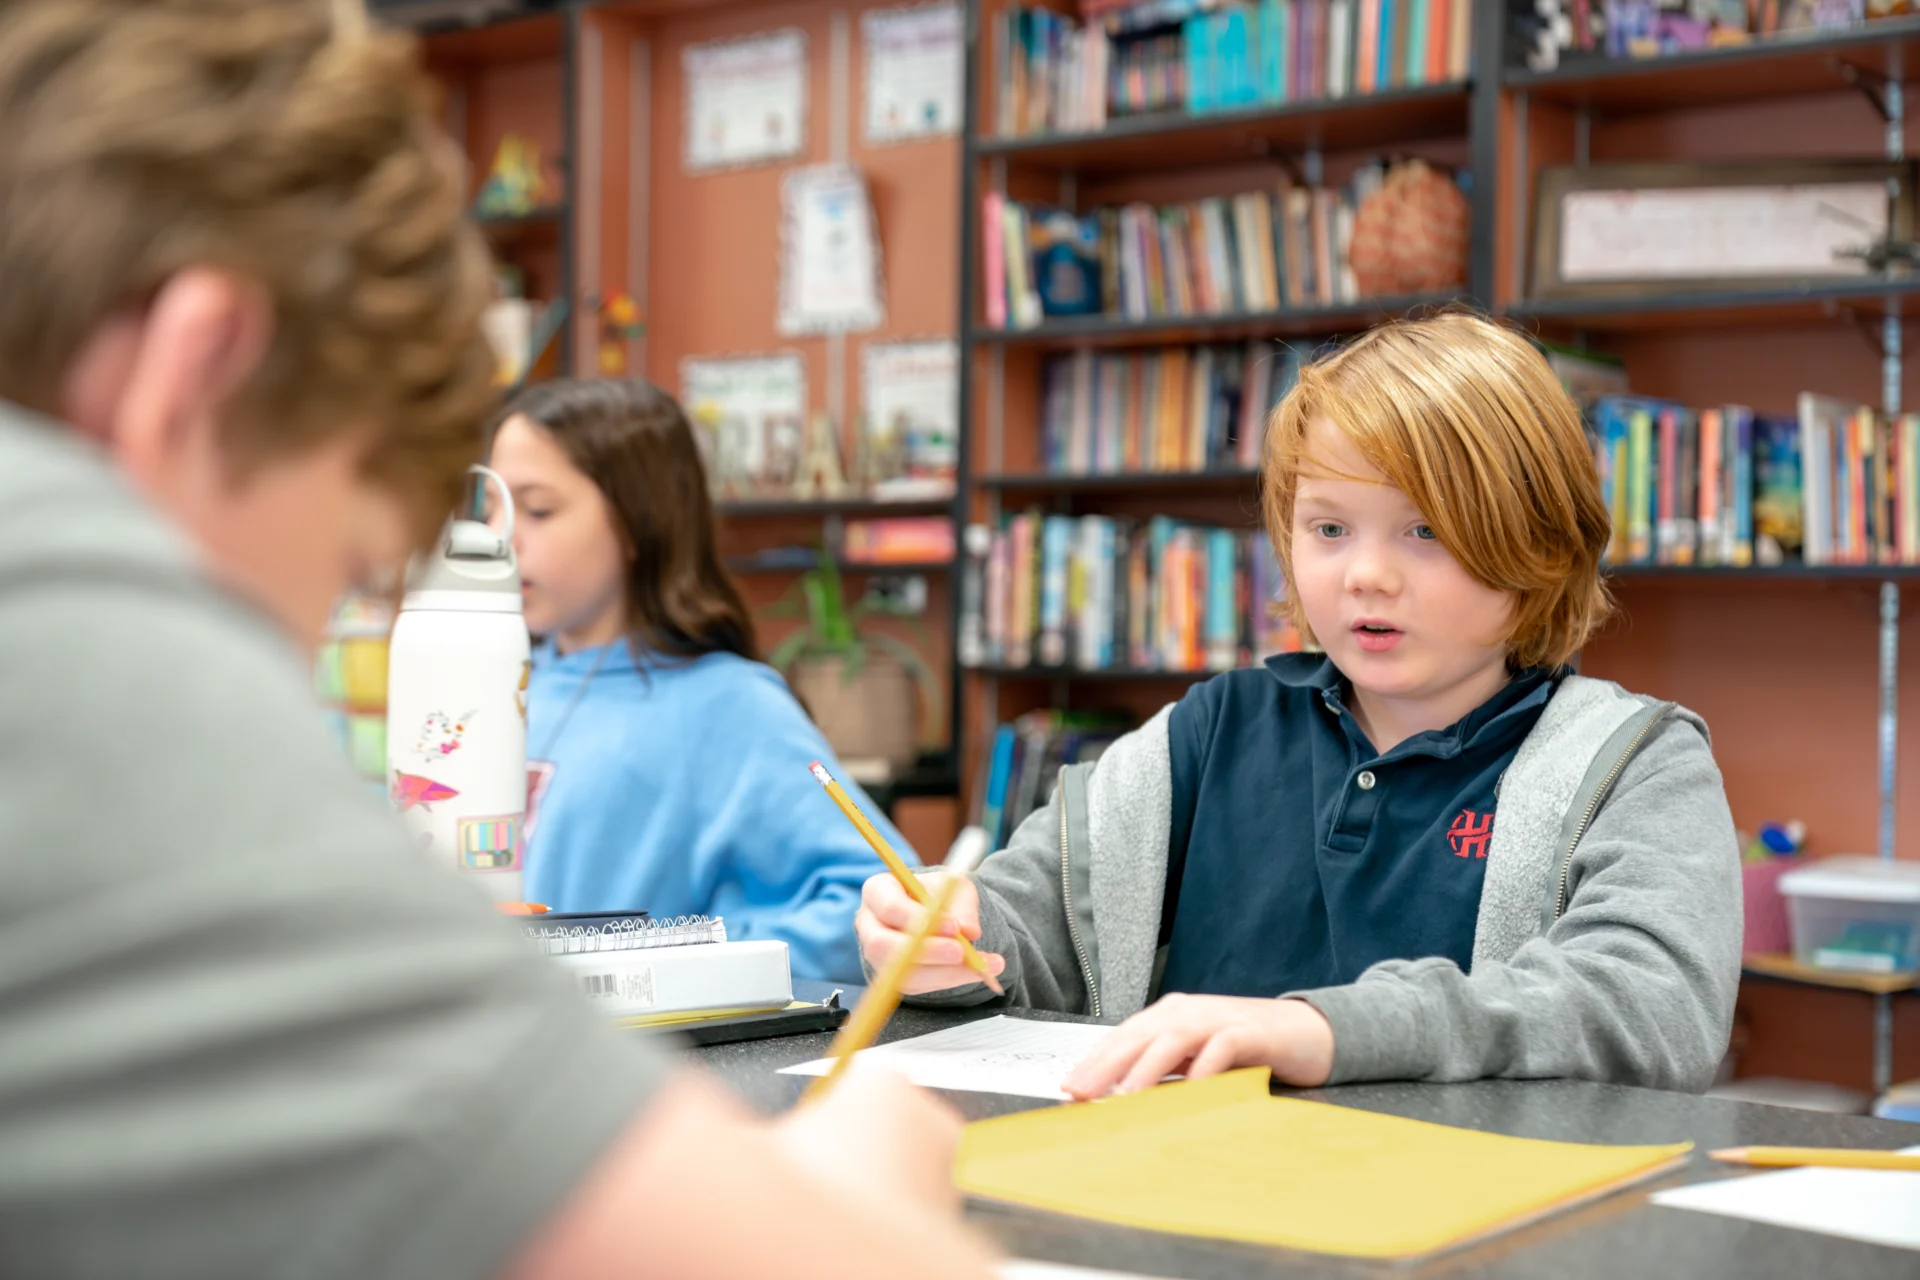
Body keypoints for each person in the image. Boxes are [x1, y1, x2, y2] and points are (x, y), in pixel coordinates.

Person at [0, 3, 993, 1278]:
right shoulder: (83, 672)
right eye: (353, 566)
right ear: (193, 369)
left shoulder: (716, 702)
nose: (307, 636)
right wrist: (870, 1161)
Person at [857, 313, 1744, 1100]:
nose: (1364, 574)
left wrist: (1323, 1032)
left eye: (1424, 530)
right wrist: (950, 939)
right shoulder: (1211, 730)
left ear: (1538, 540)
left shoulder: (1635, 762)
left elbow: (1649, 1010)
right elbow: (1027, 928)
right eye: (1328, 528)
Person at [485, 378, 912, 982]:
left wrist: (677, 966)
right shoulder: (500, 680)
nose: (502, 536)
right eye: (491, 507)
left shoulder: (728, 704)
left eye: (538, 509)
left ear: (636, 521)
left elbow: (878, 902)